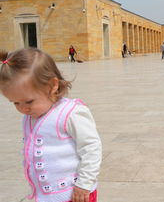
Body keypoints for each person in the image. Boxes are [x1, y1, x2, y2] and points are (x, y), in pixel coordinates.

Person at [0, 48, 101, 202]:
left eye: (29, 101)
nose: (23, 108)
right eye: (15, 103)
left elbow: (91, 148)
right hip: (46, 196)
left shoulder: (70, 113)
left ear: (52, 85)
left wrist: (84, 184)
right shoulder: (30, 116)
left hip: (75, 194)